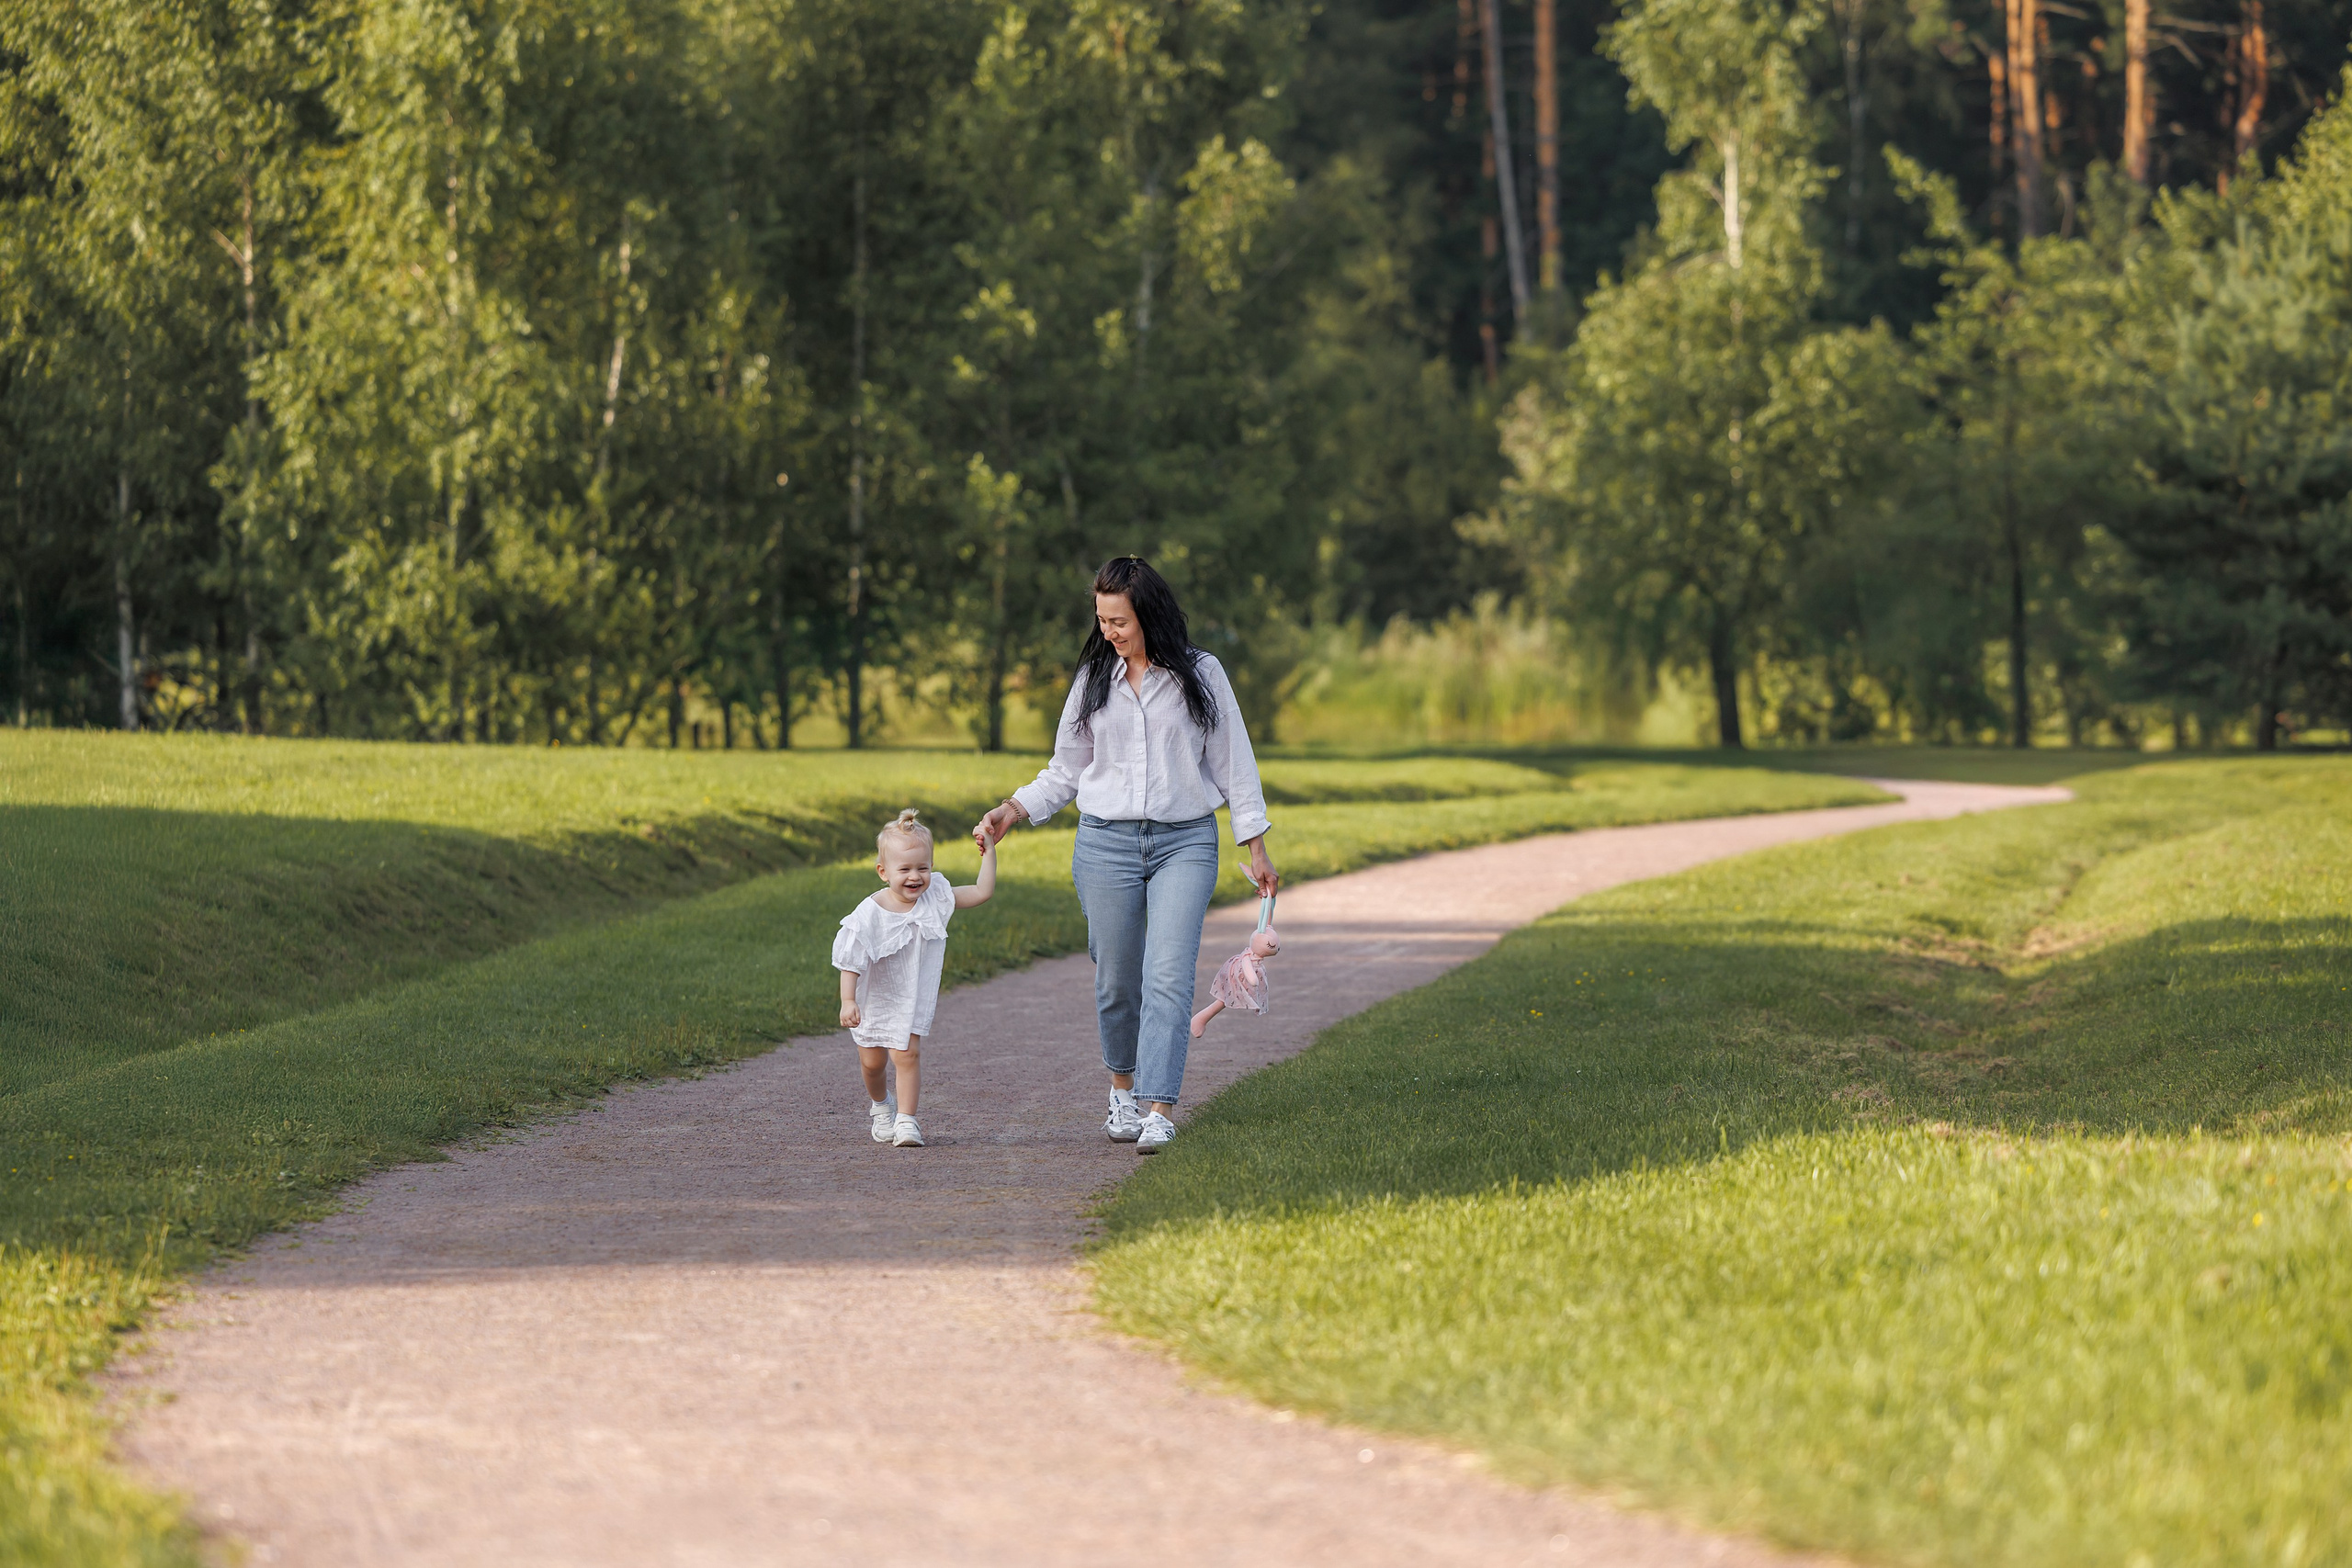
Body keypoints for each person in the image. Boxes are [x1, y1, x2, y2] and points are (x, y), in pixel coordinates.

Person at [974, 557, 1278, 1154]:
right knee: (1116, 978)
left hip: (1184, 841)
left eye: (1119, 620)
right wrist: (1012, 810)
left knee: (1168, 973)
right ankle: (1122, 1086)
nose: (1109, 631)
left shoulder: (1201, 674)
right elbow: (1066, 769)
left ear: (1148, 613)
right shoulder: (1093, 678)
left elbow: (1234, 765)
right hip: (1105, 842)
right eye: (1102, 619)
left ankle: (1159, 1106)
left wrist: (1257, 847)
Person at [833, 809, 996, 1148]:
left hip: (909, 997)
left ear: (932, 867)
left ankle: (907, 1120)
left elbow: (981, 892)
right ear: (883, 872)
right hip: (873, 1001)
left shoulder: (935, 897)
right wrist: (848, 1000)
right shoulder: (870, 913)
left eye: (923, 868)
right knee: (872, 1063)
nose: (915, 877)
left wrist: (989, 851)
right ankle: (881, 1106)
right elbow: (850, 960)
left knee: (907, 1054)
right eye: (904, 869)